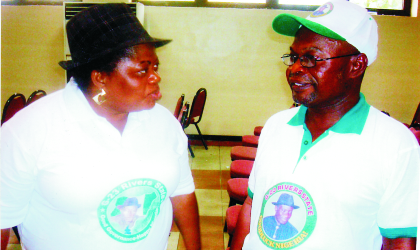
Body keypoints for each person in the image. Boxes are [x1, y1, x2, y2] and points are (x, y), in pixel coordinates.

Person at [1, 4, 201, 250]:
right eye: (142, 70)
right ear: (100, 79)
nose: (156, 77)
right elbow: (3, 219)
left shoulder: (163, 123)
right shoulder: (29, 131)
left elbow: (182, 192)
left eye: (155, 67)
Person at [231, 1, 420, 249]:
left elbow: (398, 240)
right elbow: (253, 205)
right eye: (295, 57)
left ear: (356, 65)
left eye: (311, 58)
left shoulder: (395, 145)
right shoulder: (277, 126)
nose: (295, 68)